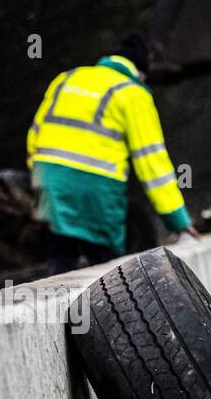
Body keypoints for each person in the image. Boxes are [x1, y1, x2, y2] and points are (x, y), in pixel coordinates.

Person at [27, 34, 198, 275]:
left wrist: (41, 180)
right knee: (109, 271)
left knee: (60, 258)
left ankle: (57, 306)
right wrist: (178, 220)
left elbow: (34, 137)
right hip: (95, 190)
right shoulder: (133, 94)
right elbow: (153, 165)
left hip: (49, 183)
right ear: (140, 72)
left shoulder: (67, 78)